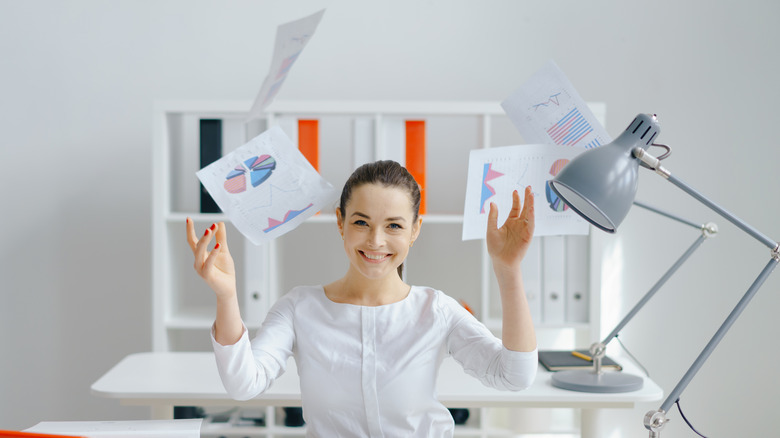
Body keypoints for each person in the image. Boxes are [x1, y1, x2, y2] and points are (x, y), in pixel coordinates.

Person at [186, 160, 538, 437]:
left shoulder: (437, 311)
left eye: (394, 226)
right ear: (340, 222)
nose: (376, 241)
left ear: (415, 230)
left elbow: (514, 376)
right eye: (361, 222)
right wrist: (226, 295)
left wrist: (508, 270)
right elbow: (243, 384)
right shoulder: (299, 309)